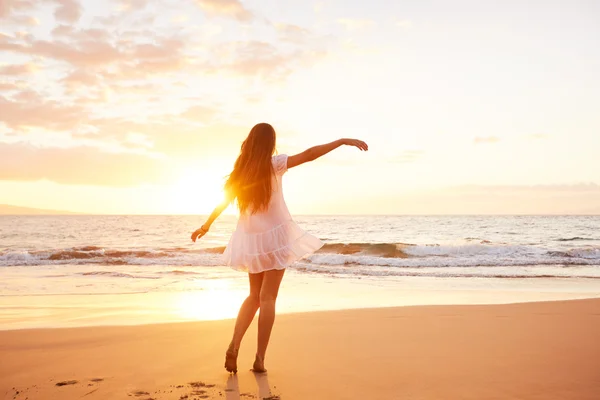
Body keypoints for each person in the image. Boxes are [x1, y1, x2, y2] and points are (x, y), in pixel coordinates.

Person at [191, 122, 368, 373]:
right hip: (275, 237)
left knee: (254, 297)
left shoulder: (240, 171)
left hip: (251, 238)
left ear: (250, 142)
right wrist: (341, 141)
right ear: (269, 143)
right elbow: (309, 154)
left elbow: (223, 202)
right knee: (268, 298)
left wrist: (206, 225)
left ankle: (234, 345)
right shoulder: (274, 164)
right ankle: (260, 359)